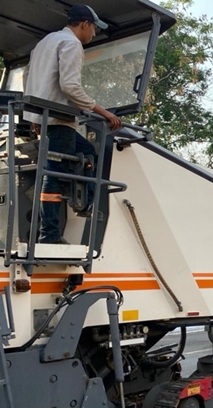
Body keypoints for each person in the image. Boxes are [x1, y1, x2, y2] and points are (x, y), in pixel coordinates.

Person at [24, 4, 122, 244]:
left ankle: (84, 200)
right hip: (59, 119)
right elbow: (70, 86)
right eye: (94, 29)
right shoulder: (72, 44)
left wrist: (35, 116)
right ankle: (50, 235)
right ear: (85, 24)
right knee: (53, 174)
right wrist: (104, 112)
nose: (94, 34)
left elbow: (28, 76)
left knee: (86, 152)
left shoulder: (46, 41)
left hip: (45, 117)